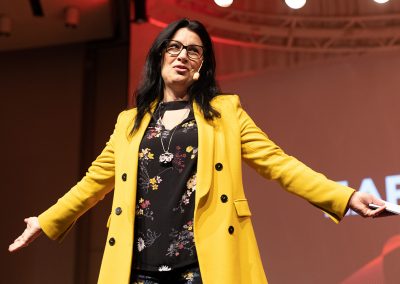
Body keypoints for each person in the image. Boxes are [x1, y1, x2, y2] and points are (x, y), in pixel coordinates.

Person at [9, 18, 385, 284]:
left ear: (202, 66)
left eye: (193, 50)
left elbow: (278, 164)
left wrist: (345, 196)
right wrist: (46, 219)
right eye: (174, 47)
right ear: (160, 57)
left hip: (200, 266)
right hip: (138, 267)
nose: (182, 55)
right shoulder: (130, 123)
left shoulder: (226, 112)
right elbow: (94, 182)